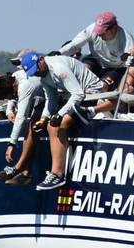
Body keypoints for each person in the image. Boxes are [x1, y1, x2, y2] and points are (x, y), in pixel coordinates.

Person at [23, 51, 106, 191]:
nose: (36, 74)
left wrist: (60, 114)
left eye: (36, 69)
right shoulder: (43, 77)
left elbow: (78, 93)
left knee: (59, 124)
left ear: (41, 60)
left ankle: (57, 174)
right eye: (33, 73)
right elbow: (51, 99)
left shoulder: (59, 69)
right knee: (50, 126)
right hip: (76, 96)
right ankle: (55, 172)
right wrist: (43, 119)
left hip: (91, 93)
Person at [58, 11, 134, 92]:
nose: (99, 35)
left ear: (114, 28)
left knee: (103, 86)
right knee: (82, 70)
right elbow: (74, 45)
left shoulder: (126, 38)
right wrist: (58, 53)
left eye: (102, 32)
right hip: (95, 60)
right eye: (98, 31)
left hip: (115, 68)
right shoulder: (91, 29)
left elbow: (130, 59)